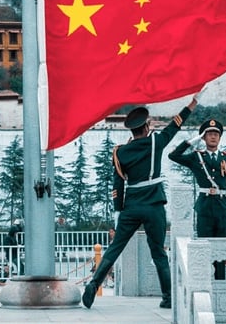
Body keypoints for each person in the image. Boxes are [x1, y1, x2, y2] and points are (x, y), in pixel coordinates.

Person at [82, 97, 197, 310]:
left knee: (115, 248)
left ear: (132, 131)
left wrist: (118, 211)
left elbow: (118, 184)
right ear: (146, 127)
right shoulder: (155, 142)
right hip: (154, 205)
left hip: (131, 206)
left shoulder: (120, 152)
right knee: (158, 252)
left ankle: (93, 284)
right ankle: (168, 297)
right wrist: (191, 105)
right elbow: (175, 125)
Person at [169, 117, 226, 279]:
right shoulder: (196, 157)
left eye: (216, 134)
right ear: (204, 137)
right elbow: (174, 155)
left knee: (221, 250)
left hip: (222, 206)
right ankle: (204, 281)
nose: (213, 137)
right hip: (205, 206)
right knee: (203, 246)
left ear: (220, 137)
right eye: (209, 134)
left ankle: (220, 282)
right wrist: (192, 141)